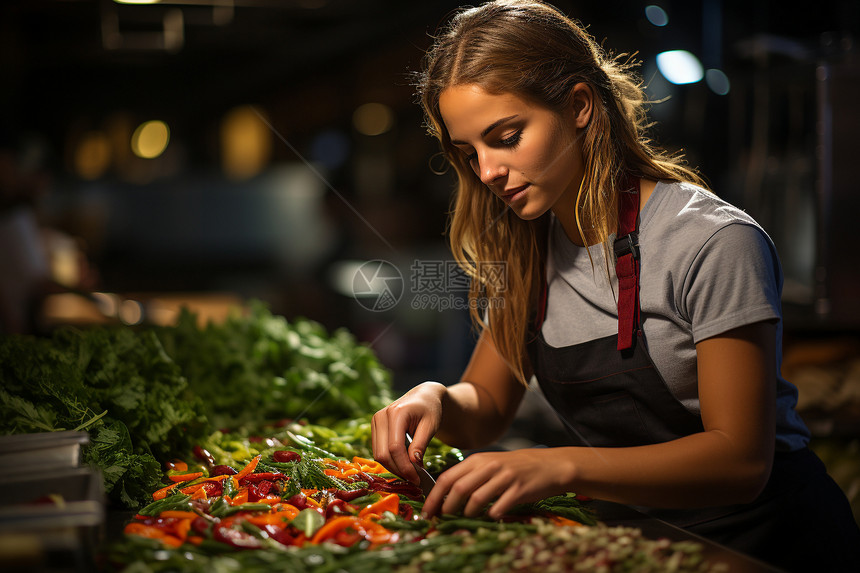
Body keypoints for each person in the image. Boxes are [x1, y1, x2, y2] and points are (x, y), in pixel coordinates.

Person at [370, 1, 860, 571]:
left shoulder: (712, 242)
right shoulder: (529, 245)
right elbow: (487, 407)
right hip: (643, 544)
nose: (486, 172)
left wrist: (560, 465)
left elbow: (741, 461)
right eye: (469, 152)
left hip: (768, 545)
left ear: (579, 106)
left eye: (506, 136)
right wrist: (434, 396)